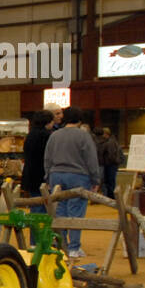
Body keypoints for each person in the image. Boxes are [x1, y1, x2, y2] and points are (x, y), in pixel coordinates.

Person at [43, 106, 101, 258]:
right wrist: (95, 179)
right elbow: (91, 159)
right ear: (80, 120)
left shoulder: (54, 135)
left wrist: (48, 176)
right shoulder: (83, 136)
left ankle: (62, 245)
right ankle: (74, 248)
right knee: (76, 211)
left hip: (56, 175)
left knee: (60, 210)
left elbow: (47, 158)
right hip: (78, 176)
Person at [21, 111, 52, 197]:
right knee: (44, 203)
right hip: (41, 174)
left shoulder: (30, 134)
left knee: (35, 202)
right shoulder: (46, 135)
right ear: (47, 122)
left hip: (30, 173)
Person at [96, 127, 122, 199]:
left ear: (106, 134)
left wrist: (110, 162)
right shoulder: (110, 141)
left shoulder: (110, 142)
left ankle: (111, 197)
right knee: (108, 182)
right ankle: (109, 196)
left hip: (110, 165)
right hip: (109, 164)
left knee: (110, 182)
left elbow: (111, 155)